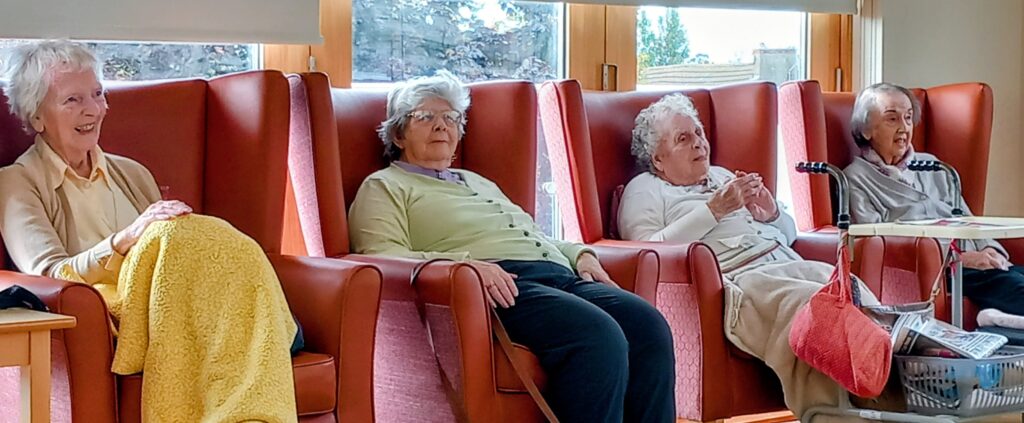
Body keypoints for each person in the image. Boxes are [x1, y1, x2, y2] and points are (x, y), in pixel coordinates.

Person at [347, 71, 675, 423]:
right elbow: (379, 257)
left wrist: (579, 253)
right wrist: (465, 267)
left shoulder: (478, 182)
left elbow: (532, 234)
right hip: (497, 286)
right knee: (597, 335)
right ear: (398, 133)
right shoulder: (385, 185)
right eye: (426, 117)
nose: (442, 126)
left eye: (451, 118)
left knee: (649, 326)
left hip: (557, 274)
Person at [0, 40, 297, 422]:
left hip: (173, 309)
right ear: (36, 115)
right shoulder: (16, 182)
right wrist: (124, 240)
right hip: (119, 317)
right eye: (72, 100)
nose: (92, 109)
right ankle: (273, 332)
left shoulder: (132, 172)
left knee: (207, 235)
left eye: (97, 94)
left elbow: (172, 254)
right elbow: (48, 275)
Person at [619, 93, 882, 422]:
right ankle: (835, 415)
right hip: (738, 279)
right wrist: (713, 211)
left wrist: (771, 213)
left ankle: (894, 394)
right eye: (683, 139)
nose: (698, 144)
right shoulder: (646, 188)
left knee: (851, 291)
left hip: (783, 260)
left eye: (698, 133)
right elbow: (646, 251)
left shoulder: (722, 175)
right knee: (809, 306)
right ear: (658, 159)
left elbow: (788, 235)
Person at [844, 82, 1024, 327]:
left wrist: (991, 250)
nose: (904, 128)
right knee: (1013, 287)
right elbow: (874, 241)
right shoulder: (856, 178)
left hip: (980, 263)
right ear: (866, 130)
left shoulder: (934, 166)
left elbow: (968, 218)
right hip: (937, 271)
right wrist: (958, 259)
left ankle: (998, 321)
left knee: (1015, 277)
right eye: (892, 119)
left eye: (908, 118)